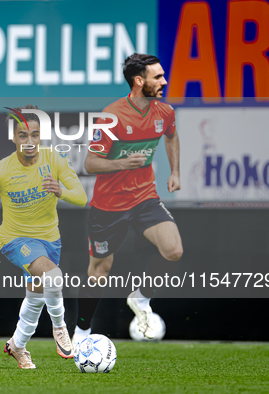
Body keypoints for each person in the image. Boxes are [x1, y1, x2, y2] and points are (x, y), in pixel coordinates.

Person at [72, 53, 183, 346]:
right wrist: (124, 163)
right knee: (99, 270)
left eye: (162, 75)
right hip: (108, 206)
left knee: (173, 250)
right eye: (157, 77)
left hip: (145, 198)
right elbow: (90, 164)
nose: (164, 81)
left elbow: (171, 136)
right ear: (139, 81)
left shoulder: (165, 112)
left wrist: (175, 172)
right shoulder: (112, 116)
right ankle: (82, 331)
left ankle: (141, 297)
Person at [0, 105, 87, 369]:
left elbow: (81, 197)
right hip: (16, 240)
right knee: (54, 277)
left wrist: (61, 191)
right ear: (14, 138)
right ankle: (60, 328)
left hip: (50, 240)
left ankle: (17, 346)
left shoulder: (55, 160)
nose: (30, 141)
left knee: (36, 295)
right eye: (23, 136)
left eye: (35, 135)